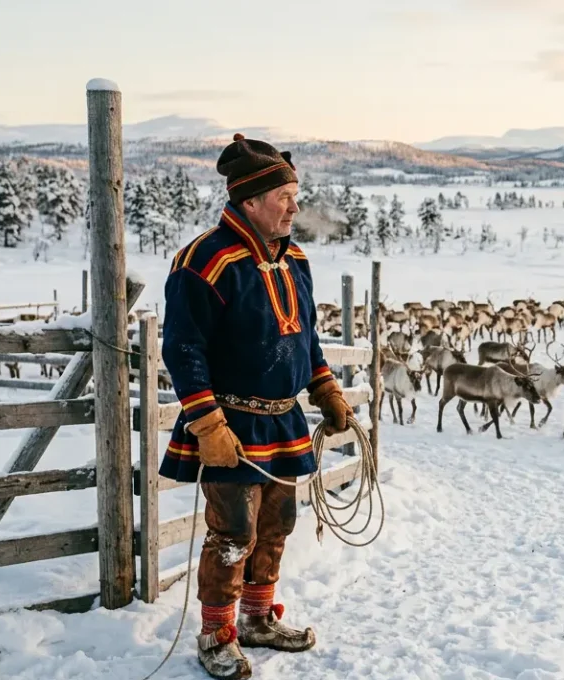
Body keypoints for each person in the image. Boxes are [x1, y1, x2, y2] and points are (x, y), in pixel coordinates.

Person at [160, 133, 352, 679]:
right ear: (249, 201)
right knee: (233, 533)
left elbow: (304, 335)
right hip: (230, 421)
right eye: (284, 196)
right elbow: (182, 347)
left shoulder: (294, 258)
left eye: (295, 194)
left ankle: (258, 618)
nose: (295, 205)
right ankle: (217, 633)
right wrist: (207, 422)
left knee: (278, 523)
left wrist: (324, 388)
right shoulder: (204, 260)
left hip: (282, 417)